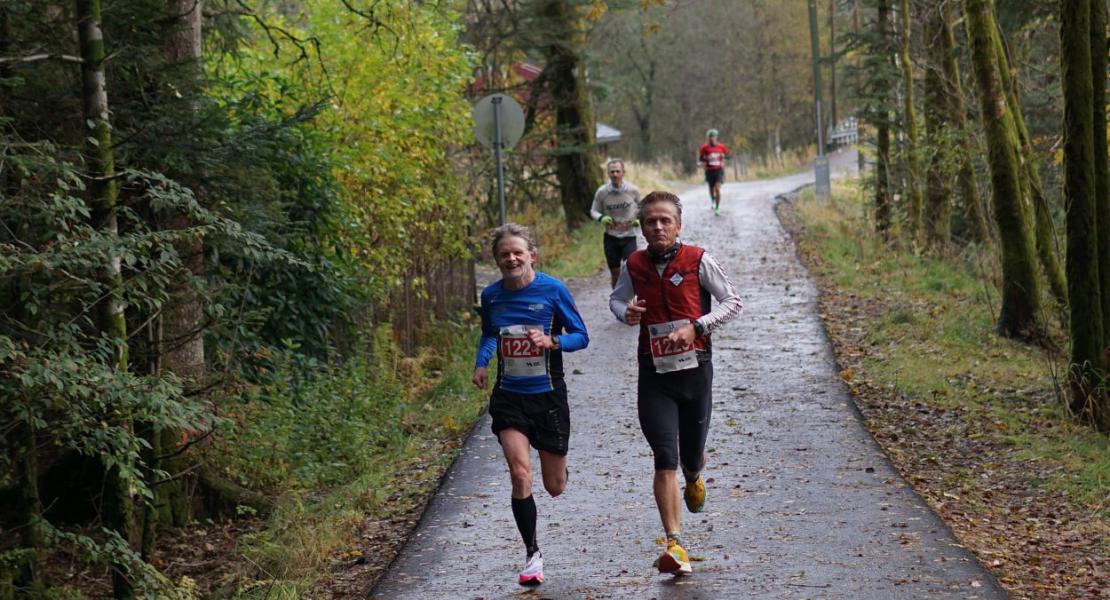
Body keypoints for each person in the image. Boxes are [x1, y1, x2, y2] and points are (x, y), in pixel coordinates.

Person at [608, 191, 742, 576]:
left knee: (690, 456)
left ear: (678, 225)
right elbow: (616, 301)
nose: (658, 226)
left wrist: (696, 326)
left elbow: (733, 302)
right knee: (664, 456)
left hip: (695, 370)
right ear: (641, 227)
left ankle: (695, 475)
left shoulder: (699, 260)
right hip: (654, 375)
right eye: (651, 221)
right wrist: (626, 313)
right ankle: (675, 543)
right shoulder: (633, 264)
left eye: (666, 220)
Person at [472, 223, 590, 586]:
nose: (511, 258)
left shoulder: (552, 290)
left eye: (517, 252)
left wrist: (552, 341)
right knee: (520, 472)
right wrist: (481, 363)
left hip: (548, 397)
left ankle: (557, 466)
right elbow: (490, 334)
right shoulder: (491, 296)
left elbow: (581, 336)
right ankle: (532, 555)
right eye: (504, 254)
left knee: (554, 486)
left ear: (531, 256)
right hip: (509, 397)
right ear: (497, 260)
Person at [589, 159, 642, 288]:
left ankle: (632, 301)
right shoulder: (602, 192)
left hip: (629, 236)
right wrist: (601, 218)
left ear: (623, 172)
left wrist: (639, 220)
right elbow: (593, 210)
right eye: (612, 172)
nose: (615, 174)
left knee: (631, 270)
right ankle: (617, 300)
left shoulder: (633, 190)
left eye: (618, 171)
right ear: (608, 174)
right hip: (611, 237)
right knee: (615, 273)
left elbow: (643, 208)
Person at [698, 129, 730, 215]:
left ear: (716, 137)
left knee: (717, 188)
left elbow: (728, 155)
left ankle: (717, 207)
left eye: (713, 137)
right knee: (711, 188)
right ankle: (713, 200)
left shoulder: (721, 147)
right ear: (708, 138)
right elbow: (701, 159)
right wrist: (704, 162)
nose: (712, 138)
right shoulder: (704, 148)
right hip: (709, 171)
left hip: (719, 170)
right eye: (710, 137)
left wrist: (724, 157)